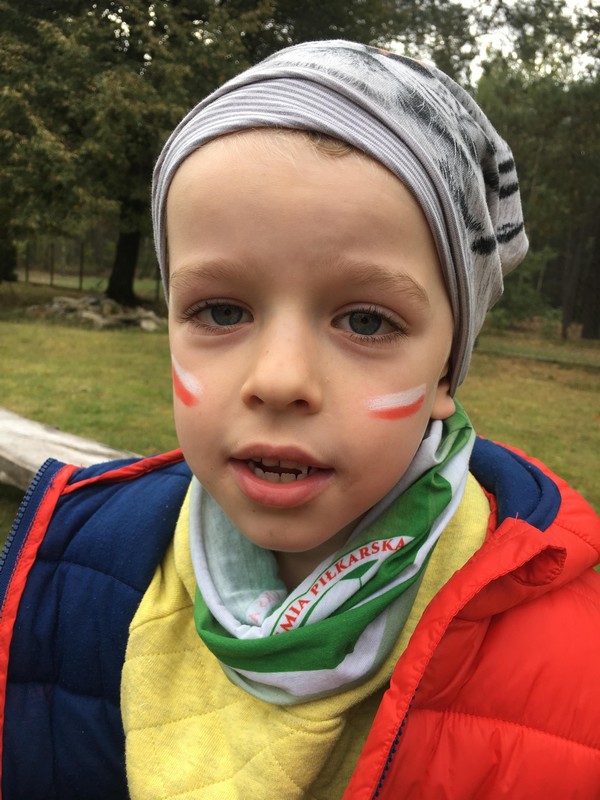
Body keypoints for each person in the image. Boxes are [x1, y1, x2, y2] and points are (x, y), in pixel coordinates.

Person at [2, 40, 599, 800]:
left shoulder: (575, 673)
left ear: (447, 371)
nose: (280, 381)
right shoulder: (67, 568)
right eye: (221, 311)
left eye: (366, 321)